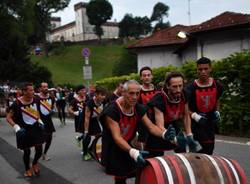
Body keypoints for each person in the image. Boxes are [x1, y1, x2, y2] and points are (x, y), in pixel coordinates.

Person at [100, 80, 176, 184]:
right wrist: (133, 151)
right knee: (121, 178)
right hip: (114, 147)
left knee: (137, 172)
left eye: (137, 93)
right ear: (123, 92)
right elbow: (117, 137)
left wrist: (164, 134)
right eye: (131, 93)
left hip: (129, 144)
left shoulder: (138, 108)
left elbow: (151, 127)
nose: (135, 97)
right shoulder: (112, 110)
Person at [145, 71, 201, 157]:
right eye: (174, 87)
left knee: (182, 148)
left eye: (180, 86)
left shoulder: (184, 94)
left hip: (172, 124)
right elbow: (160, 125)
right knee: (155, 157)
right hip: (156, 127)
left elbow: (186, 116)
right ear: (167, 86)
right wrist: (174, 139)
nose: (178, 90)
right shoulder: (159, 99)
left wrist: (190, 135)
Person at [6, 82, 45, 177]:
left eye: (33, 90)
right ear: (24, 91)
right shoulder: (16, 103)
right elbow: (8, 117)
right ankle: (27, 169)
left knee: (39, 150)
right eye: (31, 90)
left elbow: (37, 112)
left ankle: (35, 163)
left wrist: (40, 121)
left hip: (36, 128)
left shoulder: (36, 99)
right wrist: (16, 127)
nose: (33, 92)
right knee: (27, 152)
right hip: (23, 131)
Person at [186, 57, 224, 155]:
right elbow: (184, 107)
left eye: (206, 69)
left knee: (209, 151)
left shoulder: (217, 85)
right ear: (197, 70)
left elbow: (217, 99)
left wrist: (217, 111)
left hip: (210, 125)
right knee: (196, 154)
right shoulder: (190, 88)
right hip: (196, 126)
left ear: (210, 69)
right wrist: (194, 115)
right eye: (200, 69)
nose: (203, 72)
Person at [83, 86, 107, 161]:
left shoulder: (103, 101)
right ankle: (85, 153)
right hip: (86, 119)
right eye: (102, 95)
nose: (104, 97)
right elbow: (86, 118)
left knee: (98, 135)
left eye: (104, 95)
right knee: (87, 137)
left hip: (94, 120)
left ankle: (90, 149)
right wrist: (86, 131)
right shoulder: (90, 103)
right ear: (96, 95)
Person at [37, 82, 55, 161]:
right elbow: (35, 110)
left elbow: (53, 105)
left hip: (48, 120)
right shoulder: (36, 98)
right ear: (40, 88)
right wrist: (39, 120)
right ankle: (38, 153)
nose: (46, 88)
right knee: (40, 138)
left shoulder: (51, 97)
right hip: (39, 120)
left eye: (47, 86)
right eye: (44, 87)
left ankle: (45, 153)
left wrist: (52, 110)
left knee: (49, 137)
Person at [68, 85, 87, 151]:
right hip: (80, 119)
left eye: (84, 90)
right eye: (82, 90)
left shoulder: (87, 98)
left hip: (88, 118)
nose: (84, 91)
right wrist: (75, 113)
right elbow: (69, 109)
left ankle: (79, 139)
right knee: (86, 134)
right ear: (78, 92)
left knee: (87, 133)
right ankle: (85, 151)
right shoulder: (74, 100)